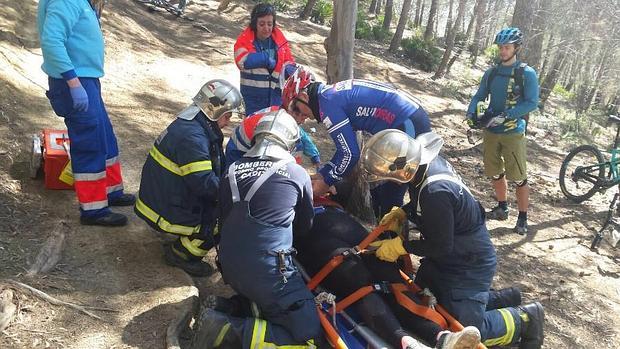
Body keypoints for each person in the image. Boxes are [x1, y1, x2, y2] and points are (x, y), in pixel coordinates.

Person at [360, 129, 545, 349]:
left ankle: (525, 318)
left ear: (403, 167)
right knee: (426, 305)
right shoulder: (423, 169)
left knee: (464, 331)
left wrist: (401, 246)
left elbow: (440, 244)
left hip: (467, 262)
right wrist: (404, 212)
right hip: (447, 256)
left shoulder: (436, 191)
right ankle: (505, 297)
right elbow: (432, 209)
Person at [216, 110, 321, 347]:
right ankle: (227, 330)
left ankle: (231, 307)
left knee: (263, 299)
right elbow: (305, 227)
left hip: (229, 267)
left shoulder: (231, 170)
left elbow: (224, 218)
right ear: (290, 144)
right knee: (311, 336)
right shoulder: (296, 172)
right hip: (270, 274)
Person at [281, 67, 432, 217]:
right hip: (409, 117)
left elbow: (351, 154)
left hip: (408, 123)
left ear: (305, 96)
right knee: (378, 190)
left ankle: (394, 237)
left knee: (391, 192)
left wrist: (326, 182)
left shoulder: (327, 105)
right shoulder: (327, 97)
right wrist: (323, 174)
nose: (299, 117)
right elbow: (344, 150)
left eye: (295, 108)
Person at [38, 0, 135, 226]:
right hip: (74, 81)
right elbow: (52, 41)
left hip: (87, 79)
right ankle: (94, 210)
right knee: (89, 142)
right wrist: (73, 82)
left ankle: (111, 191)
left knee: (105, 137)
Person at [134, 80, 243, 277]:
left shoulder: (194, 123)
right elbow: (204, 184)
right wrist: (233, 194)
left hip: (163, 196)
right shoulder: (193, 138)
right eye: (227, 116)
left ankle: (184, 240)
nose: (228, 122)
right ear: (214, 111)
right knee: (224, 218)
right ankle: (181, 254)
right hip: (165, 206)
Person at [466, 27, 540, 235]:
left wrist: (508, 114)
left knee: (518, 176)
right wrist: (471, 114)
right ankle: (502, 207)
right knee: (494, 172)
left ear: (516, 48)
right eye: (501, 47)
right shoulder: (492, 73)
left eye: (507, 47)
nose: (503, 51)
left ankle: (523, 217)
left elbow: (532, 102)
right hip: (491, 130)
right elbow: (479, 96)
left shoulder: (526, 74)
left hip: (513, 132)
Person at [234, 3, 294, 115]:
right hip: (252, 98)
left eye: (269, 24)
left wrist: (292, 71)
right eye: (262, 24)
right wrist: (266, 59)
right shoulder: (245, 39)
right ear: (255, 24)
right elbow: (242, 61)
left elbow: (288, 62)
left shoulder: (280, 40)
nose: (266, 28)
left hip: (275, 97)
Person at [225, 105, 321, 169]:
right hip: (238, 155)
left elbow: (301, 133)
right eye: (302, 116)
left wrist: (314, 156)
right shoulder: (272, 127)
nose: (303, 121)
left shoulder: (281, 116)